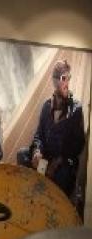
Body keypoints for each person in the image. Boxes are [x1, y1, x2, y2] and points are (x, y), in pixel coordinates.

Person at [27, 60, 85, 198]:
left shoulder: (76, 109)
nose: (67, 83)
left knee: (63, 174)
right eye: (64, 78)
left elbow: (78, 145)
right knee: (22, 154)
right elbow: (38, 135)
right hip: (46, 158)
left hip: (64, 162)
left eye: (69, 78)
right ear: (54, 81)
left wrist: (59, 160)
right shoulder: (46, 106)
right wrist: (37, 151)